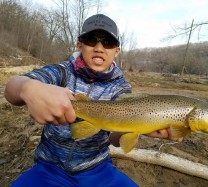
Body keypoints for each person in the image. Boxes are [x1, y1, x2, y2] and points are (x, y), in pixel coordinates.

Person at [5, 14, 183, 187]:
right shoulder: (62, 72)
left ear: (116, 51)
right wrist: (27, 88)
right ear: (79, 45)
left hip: (97, 170)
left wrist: (141, 127)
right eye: (91, 40)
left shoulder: (120, 88)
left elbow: (114, 139)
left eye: (108, 42)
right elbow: (12, 89)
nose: (99, 47)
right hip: (49, 168)